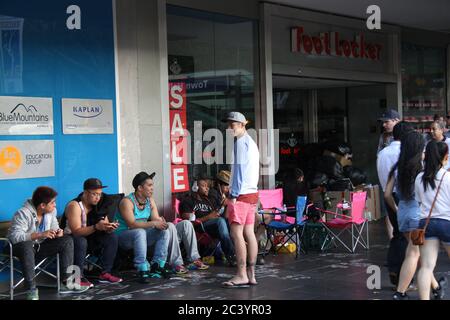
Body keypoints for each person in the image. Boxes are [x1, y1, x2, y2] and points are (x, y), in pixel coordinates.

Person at [115, 172, 207, 283]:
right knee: (140, 232)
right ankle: (142, 269)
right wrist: (154, 223)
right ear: (139, 188)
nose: (152, 188)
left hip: (142, 236)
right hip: (124, 237)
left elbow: (155, 219)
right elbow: (132, 224)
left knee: (164, 229)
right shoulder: (127, 202)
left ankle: (157, 265)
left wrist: (161, 222)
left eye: (152, 185)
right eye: (149, 185)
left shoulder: (150, 201)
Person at [385, 131, 444, 300]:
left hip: (403, 213)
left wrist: (398, 211)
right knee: (413, 254)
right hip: (417, 214)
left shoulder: (397, 167)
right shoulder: (421, 167)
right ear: (419, 147)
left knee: (417, 253)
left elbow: (387, 195)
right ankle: (400, 292)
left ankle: (436, 287)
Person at [7, 187, 88, 300]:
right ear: (42, 205)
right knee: (27, 245)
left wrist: (58, 232)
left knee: (67, 240)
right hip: (17, 248)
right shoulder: (23, 213)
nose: (55, 205)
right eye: (52, 203)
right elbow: (14, 237)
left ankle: (67, 282)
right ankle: (31, 289)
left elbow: (54, 227)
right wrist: (39, 234)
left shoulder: (50, 212)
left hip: (38, 246)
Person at [221, 111, 260, 288]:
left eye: (233, 124)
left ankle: (241, 274)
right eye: (228, 125)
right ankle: (251, 275)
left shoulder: (241, 143)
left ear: (243, 125)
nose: (230, 128)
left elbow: (241, 171)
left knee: (236, 234)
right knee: (249, 233)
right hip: (252, 194)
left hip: (242, 195)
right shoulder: (251, 143)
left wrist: (233, 195)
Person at [64, 178, 123, 288]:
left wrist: (109, 227)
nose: (98, 197)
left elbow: (104, 224)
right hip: (71, 241)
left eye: (99, 194)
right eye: (94, 194)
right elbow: (76, 232)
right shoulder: (74, 206)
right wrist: (96, 227)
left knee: (112, 237)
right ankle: (77, 278)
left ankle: (106, 273)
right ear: (86, 193)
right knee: (80, 241)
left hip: (90, 238)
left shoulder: (99, 204)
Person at [414, 141, 450, 300]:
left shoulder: (419, 177)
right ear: (445, 157)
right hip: (446, 222)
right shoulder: (448, 176)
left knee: (427, 267)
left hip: (426, 223)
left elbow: (419, 200)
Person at [179, 176, 236, 266]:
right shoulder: (188, 201)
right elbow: (189, 223)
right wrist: (209, 217)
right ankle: (231, 255)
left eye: (207, 185)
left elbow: (219, 215)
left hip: (214, 227)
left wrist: (224, 206)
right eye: (204, 186)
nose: (207, 188)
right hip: (200, 227)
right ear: (195, 187)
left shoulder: (208, 200)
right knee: (221, 221)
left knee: (230, 222)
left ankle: (239, 253)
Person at [377, 121, 413, 241]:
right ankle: (408, 258)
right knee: (409, 236)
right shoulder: (404, 152)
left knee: (397, 233)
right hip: (403, 196)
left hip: (387, 195)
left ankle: (397, 257)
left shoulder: (382, 153)